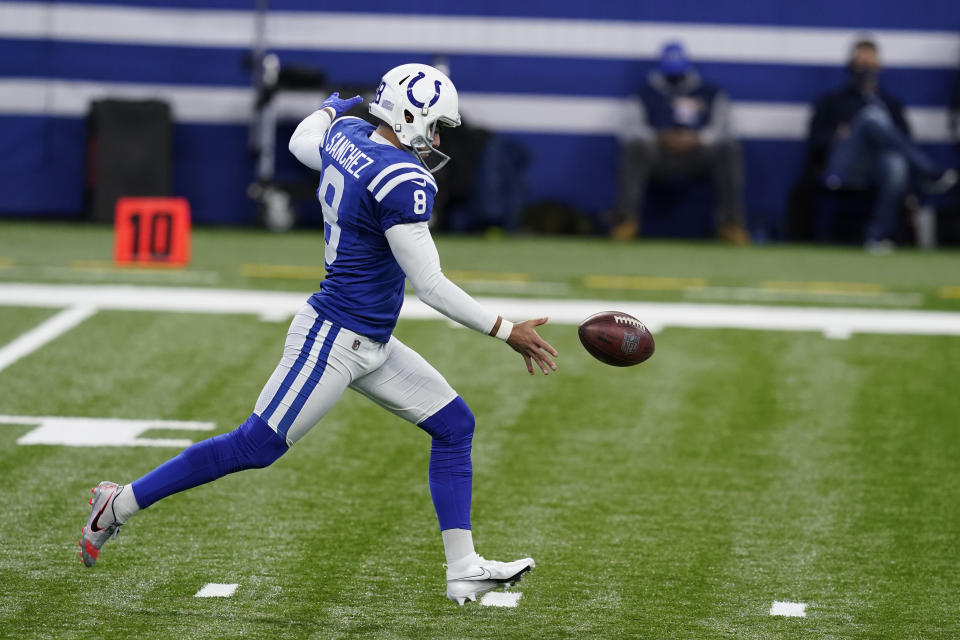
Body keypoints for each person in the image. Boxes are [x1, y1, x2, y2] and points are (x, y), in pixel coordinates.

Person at [77, 63, 559, 606]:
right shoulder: (404, 179)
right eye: (436, 124)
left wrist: (333, 106)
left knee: (453, 426)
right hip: (333, 337)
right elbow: (431, 286)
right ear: (408, 115)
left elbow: (304, 138)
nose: (440, 138)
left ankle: (463, 568)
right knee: (254, 446)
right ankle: (116, 504)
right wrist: (504, 330)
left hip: (369, 339)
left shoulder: (349, 136)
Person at [808, 37, 956, 252]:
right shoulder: (833, 101)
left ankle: (876, 237)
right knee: (871, 117)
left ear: (880, 66)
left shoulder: (891, 103)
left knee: (895, 164)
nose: (866, 69)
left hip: (879, 165)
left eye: (871, 63)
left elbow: (904, 139)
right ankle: (928, 172)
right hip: (844, 162)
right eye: (861, 63)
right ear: (851, 65)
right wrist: (838, 135)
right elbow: (816, 140)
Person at [612, 41, 749, 244]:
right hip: (659, 154)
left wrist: (698, 138)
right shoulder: (644, 95)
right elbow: (629, 131)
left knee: (728, 149)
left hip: (698, 154)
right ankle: (626, 221)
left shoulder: (710, 93)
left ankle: (730, 223)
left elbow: (726, 128)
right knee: (635, 148)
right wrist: (660, 137)